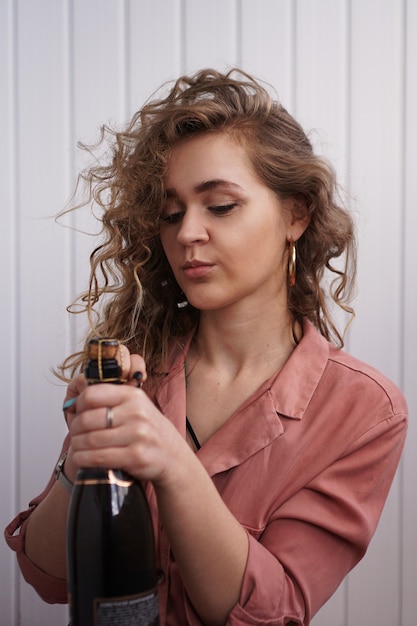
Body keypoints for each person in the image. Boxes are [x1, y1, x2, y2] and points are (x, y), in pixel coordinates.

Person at [5, 68, 407, 626]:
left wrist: (172, 463)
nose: (187, 232)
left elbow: (275, 611)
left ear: (297, 214)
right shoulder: (134, 368)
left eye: (219, 206)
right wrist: (83, 456)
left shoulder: (363, 410)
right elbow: (47, 578)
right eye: (171, 214)